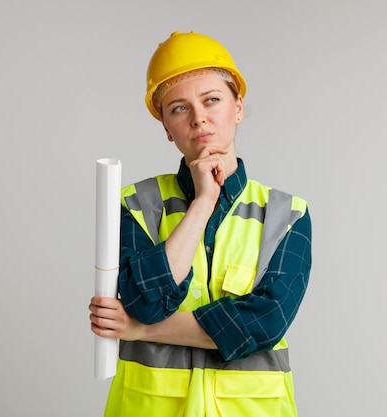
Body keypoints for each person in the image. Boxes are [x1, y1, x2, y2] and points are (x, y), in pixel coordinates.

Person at [89, 30, 312, 417]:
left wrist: (142, 332)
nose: (199, 119)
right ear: (165, 126)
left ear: (238, 107)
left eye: (212, 100)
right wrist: (204, 201)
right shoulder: (135, 204)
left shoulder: (286, 213)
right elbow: (146, 302)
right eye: (179, 108)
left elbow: (264, 322)